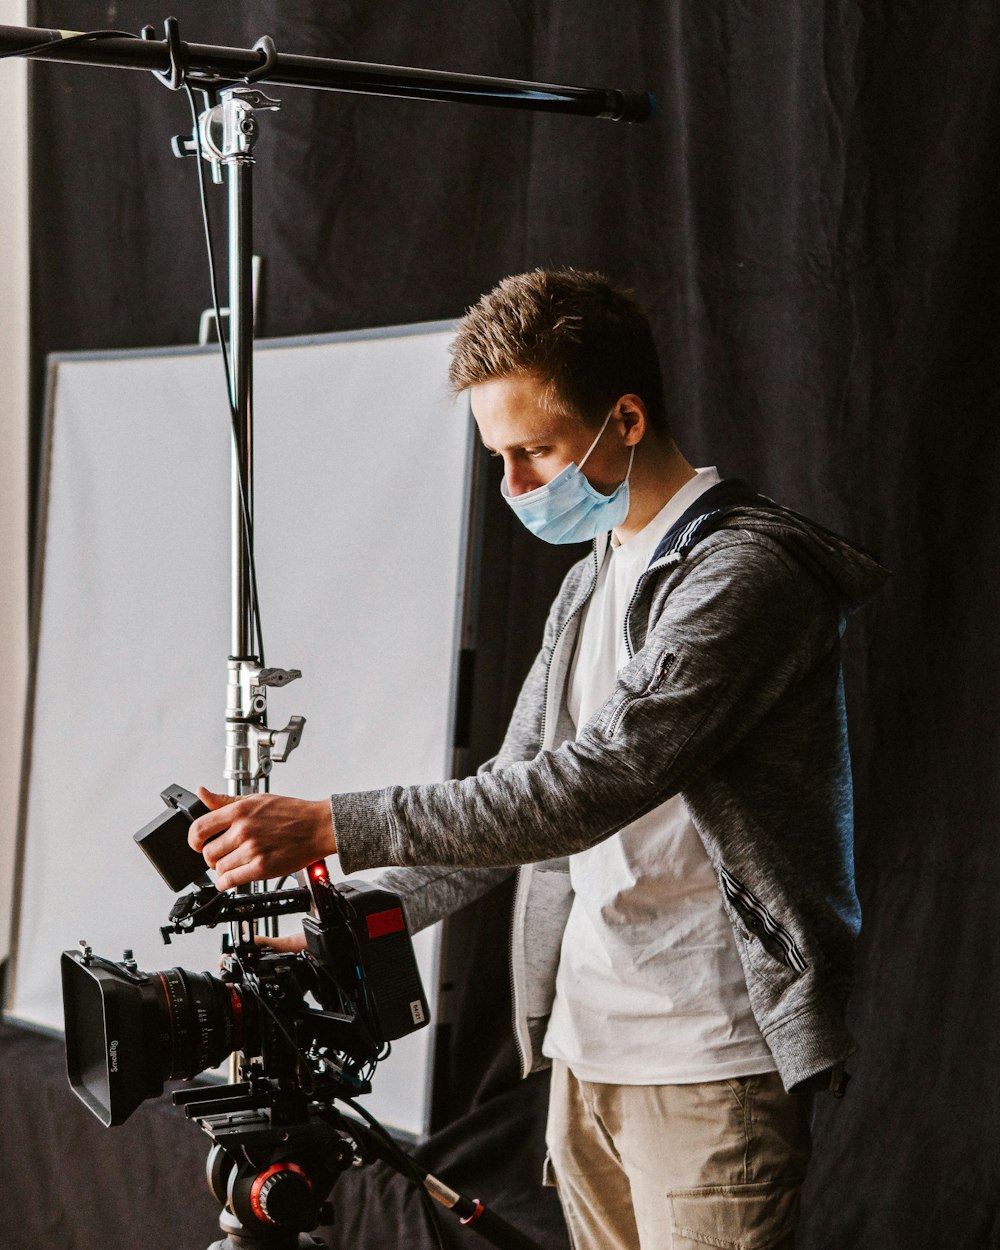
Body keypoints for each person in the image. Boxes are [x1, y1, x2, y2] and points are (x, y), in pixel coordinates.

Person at [189, 269, 886, 1250]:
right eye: (498, 457)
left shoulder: (743, 575)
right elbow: (500, 813)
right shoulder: (588, 582)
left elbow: (590, 783)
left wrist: (327, 822)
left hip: (711, 1064)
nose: (515, 485)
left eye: (534, 450)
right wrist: (331, 926)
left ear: (627, 417)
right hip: (585, 1052)